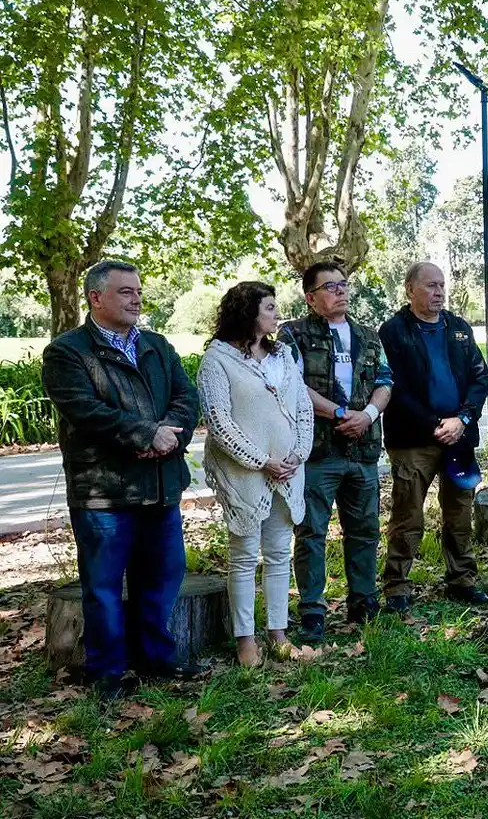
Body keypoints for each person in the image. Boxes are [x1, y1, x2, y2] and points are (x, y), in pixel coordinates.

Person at [41, 260, 202, 698]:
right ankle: (107, 673)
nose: (137, 298)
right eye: (126, 291)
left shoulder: (156, 344)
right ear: (96, 297)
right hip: (104, 493)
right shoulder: (68, 352)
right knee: (105, 589)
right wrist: (146, 433)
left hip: (160, 485)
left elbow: (187, 397)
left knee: (161, 578)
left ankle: (156, 660)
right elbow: (86, 412)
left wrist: (168, 436)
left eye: (138, 290)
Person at [199, 282, 314, 666]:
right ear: (248, 313)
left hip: (287, 471)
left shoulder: (282, 355)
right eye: (269, 307)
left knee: (280, 554)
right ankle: (245, 640)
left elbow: (303, 408)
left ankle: (278, 633)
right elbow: (219, 421)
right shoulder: (217, 360)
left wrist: (298, 453)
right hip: (247, 472)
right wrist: (260, 460)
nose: (276, 314)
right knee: (245, 556)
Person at [278, 262, 393, 642]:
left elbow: (385, 381)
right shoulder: (292, 335)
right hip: (317, 452)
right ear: (310, 298)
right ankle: (312, 609)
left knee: (364, 529)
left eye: (343, 285)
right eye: (330, 287)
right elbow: (292, 384)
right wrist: (340, 412)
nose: (340, 292)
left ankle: (363, 600)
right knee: (311, 532)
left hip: (362, 450)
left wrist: (369, 414)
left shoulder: (367, 335)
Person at [379, 262, 488, 613]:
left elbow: (480, 377)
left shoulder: (457, 328)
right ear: (410, 289)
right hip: (413, 439)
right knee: (407, 514)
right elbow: (394, 388)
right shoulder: (394, 331)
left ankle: (462, 579)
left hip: (460, 437)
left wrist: (462, 418)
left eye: (442, 285)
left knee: (459, 512)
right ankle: (397, 586)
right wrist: (435, 424)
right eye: (431, 286)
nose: (439, 292)